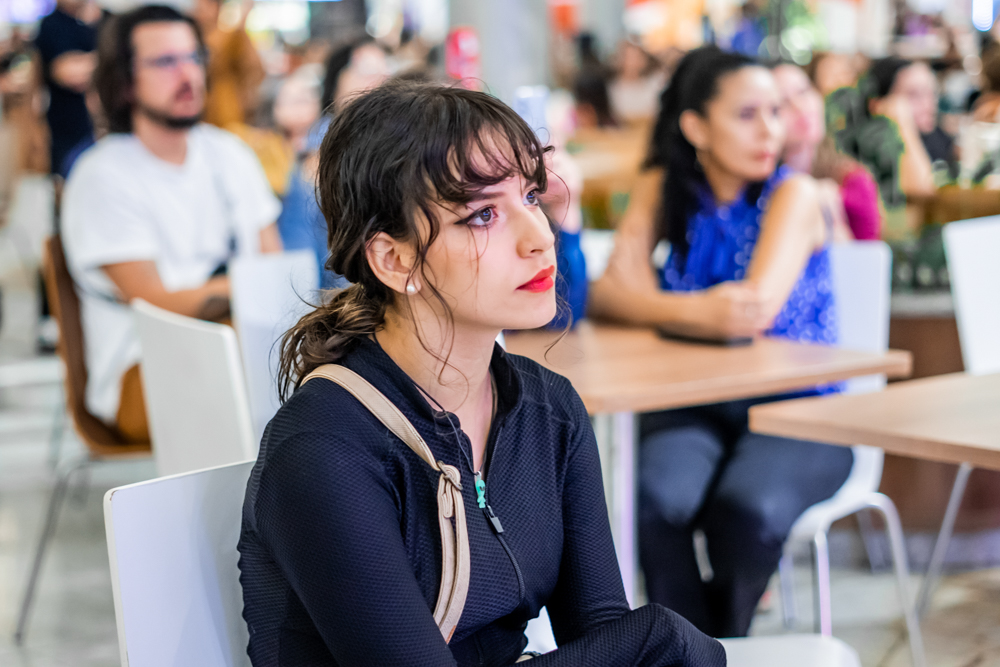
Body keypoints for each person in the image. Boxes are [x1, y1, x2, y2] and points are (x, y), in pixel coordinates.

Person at [237, 82, 725, 666]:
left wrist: (652, 645)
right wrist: (658, 640)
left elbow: (602, 634)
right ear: (394, 259)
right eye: (484, 214)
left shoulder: (547, 407)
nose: (540, 238)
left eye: (532, 197)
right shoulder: (325, 447)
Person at [588, 47, 854, 638]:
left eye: (776, 112)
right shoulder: (664, 188)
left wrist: (655, 306)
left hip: (805, 409)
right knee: (649, 498)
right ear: (695, 127)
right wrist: (701, 309)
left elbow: (749, 313)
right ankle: (687, 647)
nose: (770, 130)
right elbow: (604, 296)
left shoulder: (796, 195)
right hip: (695, 402)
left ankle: (721, 639)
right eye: (747, 114)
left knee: (747, 510)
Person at [61, 5, 282, 443]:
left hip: (243, 346)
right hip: (142, 368)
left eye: (193, 57)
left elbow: (273, 269)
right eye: (165, 61)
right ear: (124, 81)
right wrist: (247, 290)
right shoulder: (102, 174)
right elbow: (154, 303)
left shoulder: (230, 154)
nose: (187, 75)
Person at [772, 62, 882, 240]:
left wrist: (832, 219)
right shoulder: (758, 192)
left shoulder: (853, 184)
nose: (800, 107)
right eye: (782, 102)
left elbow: (867, 263)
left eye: (803, 92)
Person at [33, 0, 100, 178]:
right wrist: (103, 62)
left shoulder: (105, 22)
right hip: (66, 125)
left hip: (103, 128)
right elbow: (67, 73)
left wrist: (83, 63)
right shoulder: (52, 24)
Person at [191, 0, 265, 129]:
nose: (200, 10)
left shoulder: (229, 35)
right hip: (198, 107)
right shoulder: (190, 36)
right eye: (197, 6)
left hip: (224, 107)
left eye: (205, 5)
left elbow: (253, 67)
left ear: (217, 8)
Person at [609, 40, 666, 125]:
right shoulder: (613, 88)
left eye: (637, 57)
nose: (633, 62)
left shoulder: (654, 84)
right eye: (629, 57)